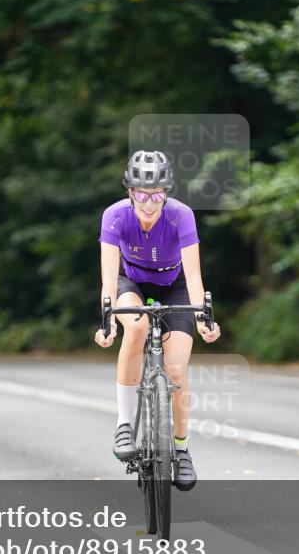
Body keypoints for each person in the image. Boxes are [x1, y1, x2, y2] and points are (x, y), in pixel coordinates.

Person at [94, 150, 221, 491]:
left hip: (174, 286)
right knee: (136, 327)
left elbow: (194, 277)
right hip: (131, 284)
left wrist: (203, 317)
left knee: (176, 369)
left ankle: (181, 449)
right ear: (129, 192)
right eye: (141, 194)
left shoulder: (181, 216)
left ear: (167, 192)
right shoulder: (115, 217)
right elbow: (109, 278)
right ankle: (124, 424)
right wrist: (108, 321)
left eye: (157, 194)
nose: (149, 203)